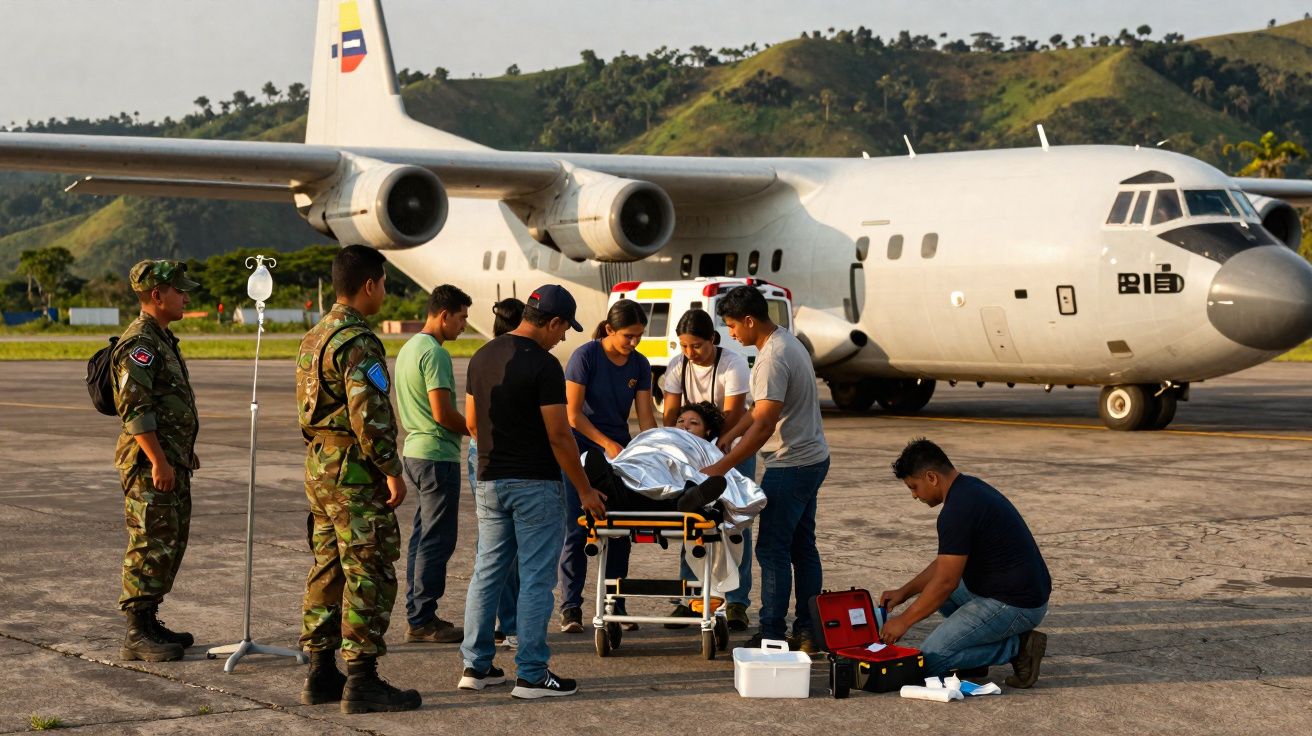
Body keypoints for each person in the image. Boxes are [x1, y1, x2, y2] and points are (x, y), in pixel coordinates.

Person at [461, 284, 604, 699]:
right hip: (535, 485)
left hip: (489, 479)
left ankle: (476, 665)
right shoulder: (544, 365)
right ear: (553, 322)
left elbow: (472, 422)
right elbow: (561, 436)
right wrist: (586, 489)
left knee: (487, 573)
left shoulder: (482, 355)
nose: (563, 338)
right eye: (564, 330)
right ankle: (532, 673)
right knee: (537, 580)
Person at [296, 245, 419, 713]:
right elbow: (369, 416)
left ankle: (320, 671)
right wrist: (391, 470)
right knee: (369, 569)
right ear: (369, 285)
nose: (384, 292)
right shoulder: (358, 341)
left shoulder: (314, 337)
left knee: (327, 566)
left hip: (320, 466)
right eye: (384, 283)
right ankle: (362, 678)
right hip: (353, 470)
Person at [701, 285, 830, 653]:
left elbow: (764, 425)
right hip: (812, 457)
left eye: (732, 326)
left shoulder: (773, 357)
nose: (731, 334)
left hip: (790, 463)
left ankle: (772, 631)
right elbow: (756, 410)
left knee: (772, 549)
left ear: (749, 320)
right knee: (802, 547)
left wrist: (721, 467)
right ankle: (807, 630)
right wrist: (727, 436)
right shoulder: (788, 342)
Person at [879, 438, 1051, 688]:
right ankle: (974, 660)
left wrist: (903, 621)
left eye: (913, 487)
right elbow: (945, 566)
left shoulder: (957, 511)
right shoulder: (968, 489)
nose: (915, 496)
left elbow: (946, 582)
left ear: (932, 477)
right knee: (940, 590)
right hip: (1009, 590)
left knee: (929, 660)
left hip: (1017, 604)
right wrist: (904, 592)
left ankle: (1018, 647)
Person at [112, 259, 201, 663]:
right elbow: (135, 410)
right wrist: (159, 462)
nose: (185, 296)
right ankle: (136, 631)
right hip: (150, 463)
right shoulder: (141, 343)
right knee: (149, 540)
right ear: (156, 295)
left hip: (170, 459)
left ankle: (149, 620)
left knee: (168, 541)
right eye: (179, 290)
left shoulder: (162, 338)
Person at [558, 299, 658, 633]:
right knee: (577, 529)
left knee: (620, 531)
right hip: (582, 450)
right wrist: (605, 443)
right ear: (609, 329)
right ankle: (571, 607)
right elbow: (572, 415)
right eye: (628, 336)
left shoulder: (640, 365)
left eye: (638, 336)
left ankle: (616, 601)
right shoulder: (585, 356)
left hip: (619, 454)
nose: (634, 343)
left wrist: (658, 451)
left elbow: (646, 418)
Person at [661, 310, 755, 631]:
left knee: (734, 523)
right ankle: (691, 599)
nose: (690, 352)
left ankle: (737, 602)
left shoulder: (734, 363)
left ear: (713, 339)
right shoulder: (678, 366)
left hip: (732, 447)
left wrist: (716, 446)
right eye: (684, 346)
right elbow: (671, 410)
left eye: (697, 346)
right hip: (693, 451)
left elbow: (733, 412)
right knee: (691, 520)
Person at [396, 284, 472, 644]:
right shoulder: (435, 353)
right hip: (436, 454)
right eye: (461, 318)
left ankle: (417, 612)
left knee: (422, 536)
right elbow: (442, 414)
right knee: (437, 540)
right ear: (444, 315)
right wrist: (475, 429)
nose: (464, 326)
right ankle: (423, 618)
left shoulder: (409, 349)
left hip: (413, 451)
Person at [467, 297, 525, 650]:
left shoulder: (481, 357)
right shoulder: (528, 359)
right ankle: (516, 626)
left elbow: (472, 422)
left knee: (489, 552)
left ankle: (485, 639)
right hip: (518, 461)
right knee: (519, 550)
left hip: (482, 456)